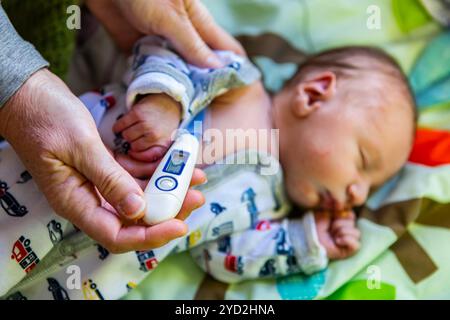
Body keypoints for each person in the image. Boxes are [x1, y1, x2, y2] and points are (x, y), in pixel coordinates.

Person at [0, 0, 244, 253]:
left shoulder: (274, 198)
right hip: (60, 127)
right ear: (292, 97)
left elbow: (229, 254)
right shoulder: (247, 83)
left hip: (87, 211)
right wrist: (165, 99)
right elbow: (170, 52)